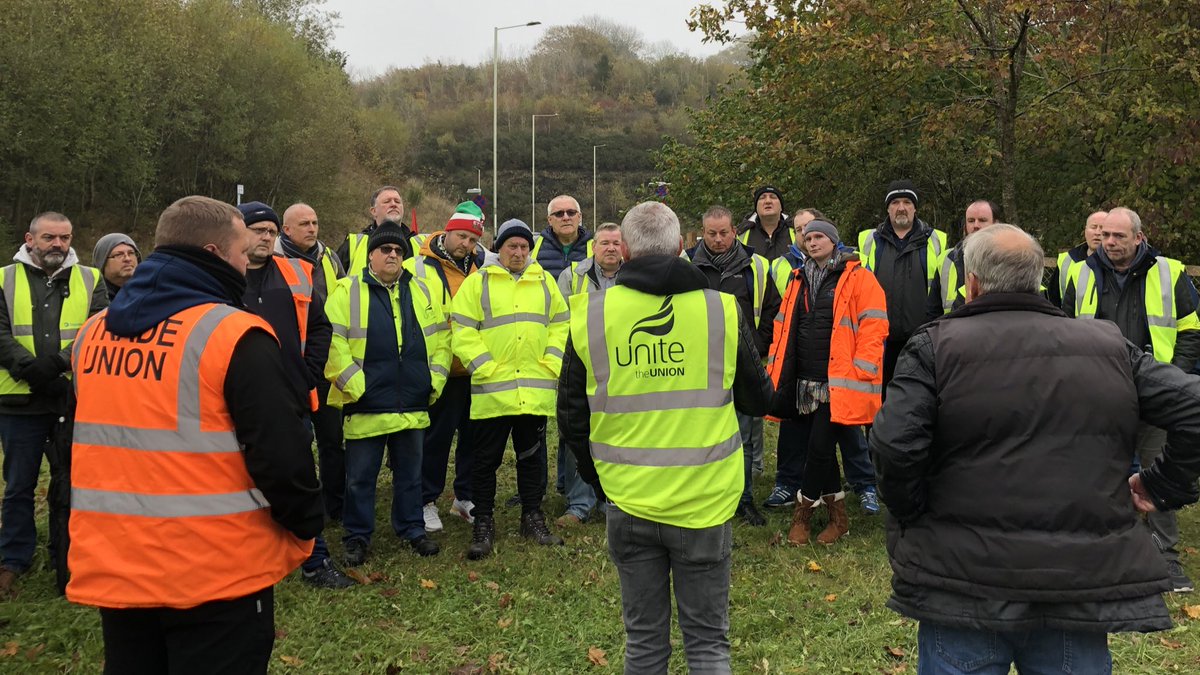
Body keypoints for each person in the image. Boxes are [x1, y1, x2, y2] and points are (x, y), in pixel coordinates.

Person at [871, 223, 1200, 673]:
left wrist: (913, 512)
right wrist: (1162, 485)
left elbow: (893, 445)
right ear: (1036, 280)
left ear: (971, 284)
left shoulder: (935, 346)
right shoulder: (1107, 346)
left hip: (964, 576)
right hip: (1073, 580)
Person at [67, 196, 321, 673]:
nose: (249, 262)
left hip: (119, 562)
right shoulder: (233, 335)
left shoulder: (92, 334)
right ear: (214, 252)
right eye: (243, 251)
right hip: (215, 570)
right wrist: (307, 521)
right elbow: (282, 458)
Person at [559, 201, 773, 674]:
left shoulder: (591, 314)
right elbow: (760, 398)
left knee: (644, 644)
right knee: (708, 643)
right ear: (682, 246)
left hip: (627, 498)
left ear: (627, 250)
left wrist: (600, 483)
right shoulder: (721, 309)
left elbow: (572, 417)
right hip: (705, 501)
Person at [1063, 207, 1200, 593]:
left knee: (1157, 470)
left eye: (1118, 236)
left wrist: (1176, 377)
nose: (1109, 243)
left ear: (1139, 237)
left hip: (1157, 394)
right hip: (1098, 393)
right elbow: (1064, 329)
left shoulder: (1170, 272)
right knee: (1099, 472)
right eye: (1105, 235)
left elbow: (1191, 329)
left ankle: (1165, 559)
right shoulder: (1081, 272)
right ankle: (1103, 552)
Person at [236, 202, 351, 589]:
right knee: (238, 483)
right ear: (238, 234)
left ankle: (315, 561)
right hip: (234, 403)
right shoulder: (222, 278)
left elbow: (320, 327)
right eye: (258, 230)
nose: (266, 237)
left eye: (270, 231)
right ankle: (251, 562)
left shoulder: (295, 273)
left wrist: (309, 373)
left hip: (291, 398)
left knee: (302, 477)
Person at [325, 221, 451, 564]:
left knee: (411, 476)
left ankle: (412, 529)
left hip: (412, 401)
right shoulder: (347, 291)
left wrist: (433, 381)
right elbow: (332, 343)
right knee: (360, 479)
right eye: (385, 249)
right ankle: (357, 536)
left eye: (398, 251)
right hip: (367, 403)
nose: (393, 255)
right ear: (371, 256)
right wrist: (355, 385)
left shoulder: (421, 291)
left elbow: (442, 340)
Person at [0, 212, 106, 598]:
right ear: (30, 239)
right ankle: (13, 559)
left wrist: (60, 362)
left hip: (71, 398)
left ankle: (73, 555)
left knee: (76, 482)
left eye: (64, 238)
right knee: (19, 485)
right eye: (49, 238)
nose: (57, 245)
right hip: (20, 398)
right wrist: (28, 367)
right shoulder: (3, 278)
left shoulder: (90, 279)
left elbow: (97, 327)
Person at [451, 219, 568, 559]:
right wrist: (484, 366)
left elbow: (561, 324)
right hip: (494, 390)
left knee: (531, 459)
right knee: (485, 461)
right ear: (498, 248)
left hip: (533, 388)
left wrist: (551, 362)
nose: (518, 252)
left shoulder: (544, 281)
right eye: (511, 246)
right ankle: (483, 523)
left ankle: (532, 517)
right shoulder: (479, 283)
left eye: (523, 247)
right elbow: (462, 327)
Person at [766, 219, 887, 545]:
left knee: (819, 447)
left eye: (819, 236)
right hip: (805, 378)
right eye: (808, 237)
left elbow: (874, 326)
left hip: (840, 380)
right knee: (819, 449)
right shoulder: (798, 278)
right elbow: (784, 324)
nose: (812, 241)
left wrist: (861, 369)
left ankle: (802, 514)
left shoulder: (859, 277)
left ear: (834, 241)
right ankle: (838, 518)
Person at [687, 205, 780, 526]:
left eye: (724, 233)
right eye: (711, 234)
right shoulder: (686, 264)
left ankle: (743, 499)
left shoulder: (757, 265)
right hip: (698, 366)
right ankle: (705, 497)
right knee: (699, 436)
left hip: (742, 362)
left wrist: (758, 345)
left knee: (743, 437)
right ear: (703, 231)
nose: (717, 239)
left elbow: (772, 310)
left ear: (734, 231)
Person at [407, 202, 486, 531]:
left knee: (473, 437)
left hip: (473, 368)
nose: (465, 244)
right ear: (448, 230)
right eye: (462, 236)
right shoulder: (418, 266)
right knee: (436, 439)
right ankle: (426, 499)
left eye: (472, 239)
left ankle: (463, 498)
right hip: (439, 368)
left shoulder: (481, 266)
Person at [275, 201, 347, 522]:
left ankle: (336, 506)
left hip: (327, 364)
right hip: (289, 367)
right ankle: (301, 506)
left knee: (332, 442)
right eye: (304, 224)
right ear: (286, 229)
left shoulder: (329, 257)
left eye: (315, 222)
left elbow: (345, 298)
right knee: (296, 443)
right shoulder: (273, 262)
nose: (312, 229)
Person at [553, 222, 623, 526]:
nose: (611, 248)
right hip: (581, 365)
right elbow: (558, 320)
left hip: (621, 367)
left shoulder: (634, 276)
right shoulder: (572, 276)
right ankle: (578, 504)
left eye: (616, 243)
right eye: (604, 243)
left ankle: (613, 502)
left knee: (617, 436)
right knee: (577, 432)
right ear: (593, 247)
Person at [857, 179, 947, 393]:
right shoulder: (870, 240)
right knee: (878, 400)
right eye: (895, 202)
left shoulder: (935, 240)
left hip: (921, 338)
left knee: (918, 397)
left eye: (907, 202)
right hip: (879, 339)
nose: (901, 207)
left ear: (915, 208)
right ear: (888, 208)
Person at [924, 200, 999, 320]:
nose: (976, 225)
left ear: (996, 225)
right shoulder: (946, 259)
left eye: (982, 220)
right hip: (953, 334)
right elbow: (933, 312)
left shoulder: (1010, 259)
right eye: (971, 221)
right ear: (965, 226)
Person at [337, 186, 416, 276]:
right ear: (373, 211)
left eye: (397, 201)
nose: (394, 204)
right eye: (387, 201)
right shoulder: (353, 245)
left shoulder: (420, 244)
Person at [1049, 209, 1106, 307]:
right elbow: (1053, 299)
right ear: (1085, 230)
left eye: (1102, 228)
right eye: (1093, 227)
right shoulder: (1066, 261)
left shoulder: (1118, 263)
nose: (1097, 232)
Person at [532, 195, 594, 282]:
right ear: (549, 220)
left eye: (571, 212)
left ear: (579, 217)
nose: (566, 218)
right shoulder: (531, 246)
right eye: (559, 214)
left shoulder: (596, 247)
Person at [738, 185, 794, 262]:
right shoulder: (741, 234)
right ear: (756, 208)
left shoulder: (796, 231)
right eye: (762, 198)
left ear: (781, 207)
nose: (768, 201)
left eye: (773, 197)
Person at [92, 233, 141, 301]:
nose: (127, 259)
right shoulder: (92, 300)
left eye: (131, 253)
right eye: (118, 255)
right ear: (102, 262)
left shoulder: (151, 292)